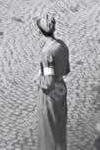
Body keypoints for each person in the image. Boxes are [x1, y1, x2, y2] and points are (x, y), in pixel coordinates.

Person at [35, 12, 70, 150]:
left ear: (40, 32)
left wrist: (38, 81)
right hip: (61, 87)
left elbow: (48, 82)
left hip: (50, 94)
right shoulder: (61, 45)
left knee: (48, 130)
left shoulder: (47, 52)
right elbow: (66, 69)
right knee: (60, 128)